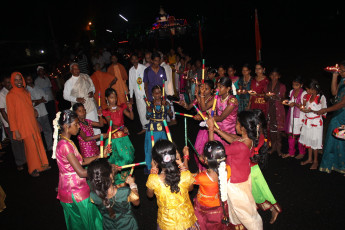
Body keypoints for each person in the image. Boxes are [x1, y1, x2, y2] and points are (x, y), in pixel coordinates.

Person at [207, 110, 263, 230]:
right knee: (238, 209)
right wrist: (217, 130)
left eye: (237, 123)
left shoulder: (239, 147)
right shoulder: (248, 140)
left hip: (235, 183)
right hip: (243, 179)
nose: (235, 125)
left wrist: (211, 129)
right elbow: (233, 139)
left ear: (243, 128)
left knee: (245, 214)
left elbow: (214, 151)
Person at [54, 110, 108, 230]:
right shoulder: (66, 146)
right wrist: (104, 171)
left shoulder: (65, 141)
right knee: (91, 220)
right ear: (66, 126)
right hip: (76, 191)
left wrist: (100, 155)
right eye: (76, 124)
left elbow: (81, 162)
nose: (79, 126)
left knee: (78, 223)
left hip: (67, 189)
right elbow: (82, 172)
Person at [146, 139, 200, 230]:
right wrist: (181, 164)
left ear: (155, 161)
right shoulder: (186, 175)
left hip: (167, 224)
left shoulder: (153, 179)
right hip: (186, 220)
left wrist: (153, 170)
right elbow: (190, 189)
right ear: (175, 156)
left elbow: (149, 195)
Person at [7, 72, 50, 177]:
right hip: (23, 126)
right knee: (30, 148)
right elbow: (11, 115)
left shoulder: (26, 92)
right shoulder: (10, 95)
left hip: (32, 123)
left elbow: (28, 106)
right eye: (16, 80)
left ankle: (42, 165)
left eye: (20, 79)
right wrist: (15, 130)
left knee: (39, 144)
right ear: (13, 81)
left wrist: (34, 110)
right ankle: (33, 169)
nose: (18, 82)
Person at [88, 159, 139, 230]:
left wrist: (112, 173)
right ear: (110, 176)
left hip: (109, 226)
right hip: (127, 226)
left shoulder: (92, 196)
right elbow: (136, 202)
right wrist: (132, 184)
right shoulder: (125, 192)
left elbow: (105, 186)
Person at [251, 109, 281, 224]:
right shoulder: (255, 134)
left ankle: (273, 209)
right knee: (255, 191)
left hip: (251, 169)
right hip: (248, 168)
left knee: (262, 191)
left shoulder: (258, 137)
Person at [193, 141, 231, 229]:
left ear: (206, 160)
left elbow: (187, 178)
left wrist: (185, 160)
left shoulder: (202, 177)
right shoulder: (227, 169)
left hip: (205, 208)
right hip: (221, 205)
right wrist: (206, 161)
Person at [103, 88, 135, 185]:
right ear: (106, 98)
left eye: (115, 97)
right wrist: (121, 128)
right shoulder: (106, 111)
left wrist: (130, 108)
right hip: (113, 137)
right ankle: (116, 180)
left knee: (127, 156)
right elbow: (110, 124)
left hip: (123, 137)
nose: (114, 99)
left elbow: (131, 117)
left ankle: (125, 177)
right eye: (111, 97)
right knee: (114, 159)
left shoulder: (120, 108)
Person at [181, 80, 214, 171]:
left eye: (206, 89)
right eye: (202, 88)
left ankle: (209, 170)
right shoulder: (198, 98)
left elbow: (212, 114)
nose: (204, 90)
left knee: (208, 151)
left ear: (211, 90)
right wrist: (184, 104)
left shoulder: (213, 99)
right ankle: (201, 169)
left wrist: (202, 116)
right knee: (198, 149)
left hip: (211, 128)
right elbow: (188, 107)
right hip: (202, 128)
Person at [318, 61, 345, 174]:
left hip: (342, 114)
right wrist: (334, 76)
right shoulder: (343, 80)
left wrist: (326, 110)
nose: (341, 72)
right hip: (338, 112)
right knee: (334, 138)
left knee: (342, 139)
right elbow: (334, 92)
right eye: (341, 70)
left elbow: (343, 103)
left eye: (343, 71)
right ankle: (334, 164)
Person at [63, 63, 101, 138]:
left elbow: (92, 87)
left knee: (96, 125)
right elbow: (65, 96)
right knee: (86, 128)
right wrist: (76, 99)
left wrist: (92, 92)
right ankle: (90, 145)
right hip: (80, 109)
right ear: (71, 71)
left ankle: (99, 144)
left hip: (90, 105)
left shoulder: (85, 76)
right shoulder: (69, 82)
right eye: (75, 69)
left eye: (78, 68)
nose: (77, 70)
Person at [200, 77, 238, 146]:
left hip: (228, 131)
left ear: (228, 88)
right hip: (218, 128)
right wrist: (202, 94)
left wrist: (208, 118)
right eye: (217, 86)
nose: (217, 89)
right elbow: (204, 108)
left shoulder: (232, 101)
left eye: (220, 87)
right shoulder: (217, 98)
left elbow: (221, 118)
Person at [299, 79, 327, 170]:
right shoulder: (308, 96)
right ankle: (309, 159)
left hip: (316, 123)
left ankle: (316, 161)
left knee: (315, 141)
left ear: (313, 89)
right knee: (308, 140)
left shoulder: (321, 98)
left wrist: (312, 111)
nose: (306, 91)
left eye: (307, 89)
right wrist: (304, 109)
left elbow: (324, 111)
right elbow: (306, 107)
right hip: (308, 121)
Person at [0, 75, 26, 171]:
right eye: (7, 82)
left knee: (22, 141)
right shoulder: (2, 94)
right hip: (9, 123)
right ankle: (19, 162)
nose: (9, 84)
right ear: (3, 83)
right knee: (15, 143)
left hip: (19, 121)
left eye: (10, 82)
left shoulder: (14, 91)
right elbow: (3, 111)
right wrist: (11, 124)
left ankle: (25, 159)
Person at [144, 85, 172, 172]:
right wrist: (148, 112)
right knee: (150, 149)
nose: (157, 94)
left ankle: (167, 166)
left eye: (158, 92)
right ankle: (150, 167)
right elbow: (147, 117)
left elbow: (171, 115)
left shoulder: (166, 103)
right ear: (152, 94)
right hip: (152, 129)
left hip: (163, 130)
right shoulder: (150, 104)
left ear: (161, 93)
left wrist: (167, 107)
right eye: (155, 92)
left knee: (166, 148)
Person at [25, 75, 53, 152]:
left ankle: (50, 146)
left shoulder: (38, 88)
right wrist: (39, 100)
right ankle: (41, 149)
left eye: (30, 78)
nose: (29, 80)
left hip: (43, 112)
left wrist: (36, 101)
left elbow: (45, 98)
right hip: (35, 115)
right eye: (27, 79)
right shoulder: (26, 91)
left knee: (48, 130)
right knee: (38, 133)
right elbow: (29, 104)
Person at [281, 76, 307, 159]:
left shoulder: (304, 93)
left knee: (299, 135)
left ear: (301, 85)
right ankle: (291, 152)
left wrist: (295, 104)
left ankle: (302, 152)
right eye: (293, 85)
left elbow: (304, 106)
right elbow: (291, 101)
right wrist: (288, 102)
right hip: (292, 115)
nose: (294, 87)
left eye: (297, 85)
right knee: (291, 134)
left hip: (300, 116)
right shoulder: (292, 91)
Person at [264, 68, 286, 156]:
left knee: (279, 131)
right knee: (272, 130)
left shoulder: (282, 86)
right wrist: (267, 96)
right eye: (272, 75)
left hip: (278, 110)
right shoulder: (267, 86)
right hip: (270, 109)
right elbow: (265, 98)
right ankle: (273, 147)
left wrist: (277, 98)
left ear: (279, 76)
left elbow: (283, 99)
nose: (274, 77)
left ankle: (279, 149)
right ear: (270, 76)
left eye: (276, 75)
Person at [129, 54, 149, 134]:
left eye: (135, 59)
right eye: (132, 59)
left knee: (148, 109)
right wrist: (131, 97)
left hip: (145, 93)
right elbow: (131, 84)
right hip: (137, 95)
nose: (134, 61)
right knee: (141, 112)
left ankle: (151, 125)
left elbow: (148, 81)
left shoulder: (144, 68)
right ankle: (144, 127)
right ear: (131, 61)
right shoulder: (131, 70)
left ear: (138, 59)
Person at [159, 51, 177, 126]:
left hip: (166, 89)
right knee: (169, 104)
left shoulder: (163, 67)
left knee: (169, 104)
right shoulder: (167, 66)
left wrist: (164, 90)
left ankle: (173, 119)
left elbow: (164, 80)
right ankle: (170, 119)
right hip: (169, 88)